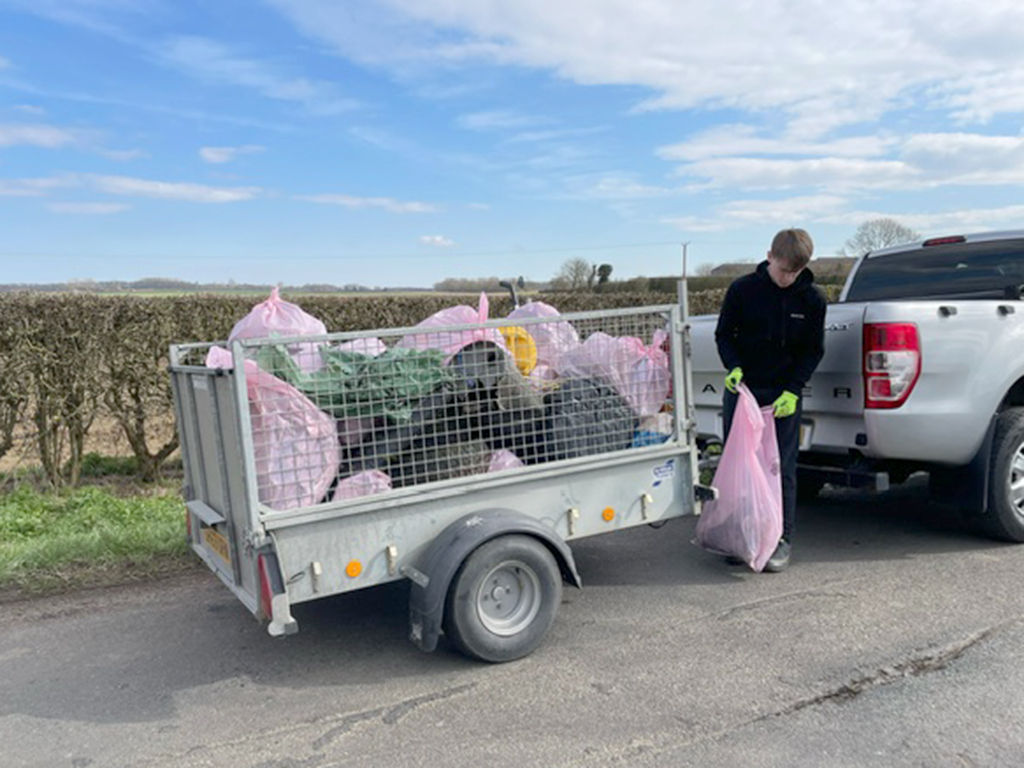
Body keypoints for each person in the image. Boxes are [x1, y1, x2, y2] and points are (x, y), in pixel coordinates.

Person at [714, 228, 827, 572]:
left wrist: (795, 389)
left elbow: (813, 351)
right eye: (782, 271)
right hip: (744, 389)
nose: (787, 278)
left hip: (783, 394)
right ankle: (742, 534)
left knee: (780, 466)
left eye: (793, 273)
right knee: (741, 463)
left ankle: (781, 538)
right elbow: (724, 334)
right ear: (769, 257)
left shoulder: (812, 300)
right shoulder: (743, 290)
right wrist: (732, 367)